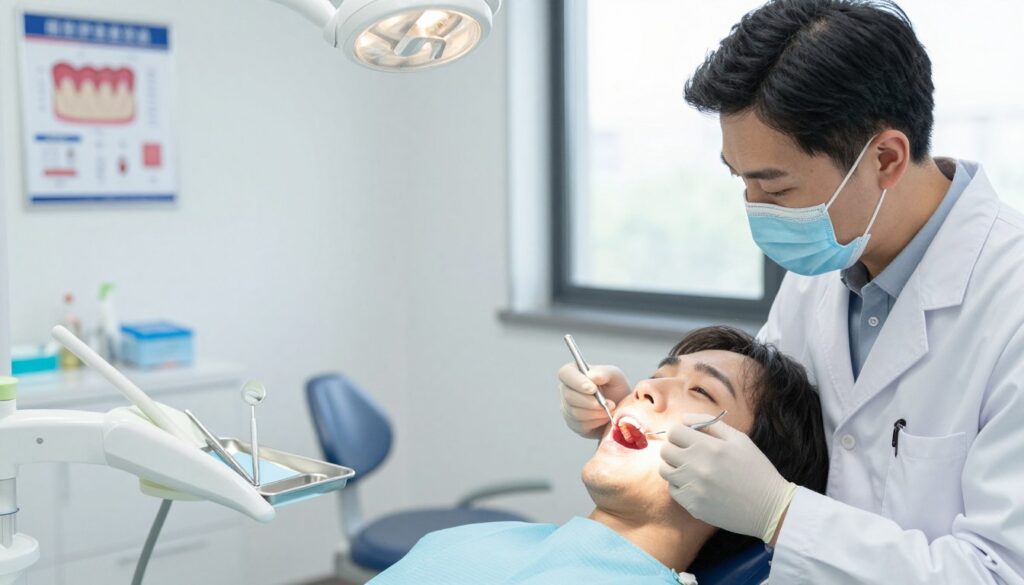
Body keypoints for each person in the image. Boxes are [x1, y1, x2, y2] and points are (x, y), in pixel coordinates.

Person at [559, 1, 1024, 582]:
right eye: (741, 178)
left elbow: (1000, 573)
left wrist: (781, 514)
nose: (753, 207)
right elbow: (765, 432)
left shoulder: (1010, 307)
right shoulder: (827, 261)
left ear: (885, 158)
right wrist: (635, 416)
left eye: (775, 188)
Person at [372, 327, 827, 584]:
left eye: (701, 391)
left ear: (746, 474)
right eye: (658, 375)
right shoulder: (470, 540)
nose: (644, 389)